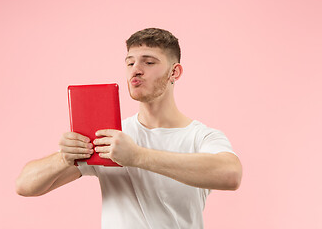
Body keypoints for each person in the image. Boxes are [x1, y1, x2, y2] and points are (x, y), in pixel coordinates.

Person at [16, 28, 242, 228]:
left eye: (149, 62)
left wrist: (138, 156)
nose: (136, 69)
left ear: (175, 72)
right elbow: (25, 185)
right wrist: (64, 158)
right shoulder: (109, 135)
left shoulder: (200, 137)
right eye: (130, 62)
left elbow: (231, 174)